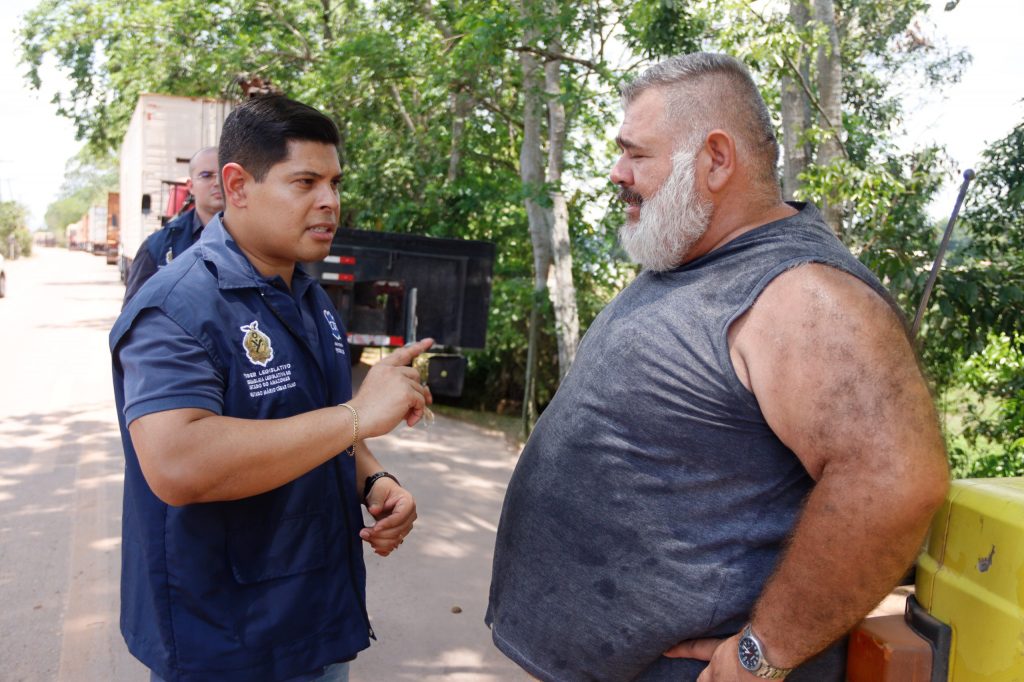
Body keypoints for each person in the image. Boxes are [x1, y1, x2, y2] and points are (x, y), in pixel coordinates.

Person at [486, 52, 950, 682]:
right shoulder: (690, 257)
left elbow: (898, 483)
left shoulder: (805, 294)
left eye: (636, 153)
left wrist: (763, 653)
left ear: (716, 159)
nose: (617, 172)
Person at [109, 95, 433, 682]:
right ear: (237, 185)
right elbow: (179, 464)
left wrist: (376, 481)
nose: (330, 201)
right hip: (225, 642)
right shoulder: (176, 308)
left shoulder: (309, 299)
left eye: (334, 182)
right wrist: (360, 415)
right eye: (305, 181)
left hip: (314, 623)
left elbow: (317, 425)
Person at [122, 146, 225, 305]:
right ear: (190, 186)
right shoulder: (158, 247)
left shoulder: (257, 241)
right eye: (206, 175)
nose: (217, 182)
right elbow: (134, 315)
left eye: (223, 175)